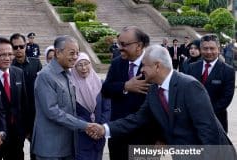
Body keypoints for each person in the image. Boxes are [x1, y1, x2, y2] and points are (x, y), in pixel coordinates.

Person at [87, 45, 236, 159]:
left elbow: (207, 130)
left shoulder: (189, 86)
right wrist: (104, 129)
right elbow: (138, 119)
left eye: (144, 65)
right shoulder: (153, 90)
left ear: (157, 66)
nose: (142, 69)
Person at [101, 26, 159, 160]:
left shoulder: (154, 64)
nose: (119, 48)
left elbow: (161, 104)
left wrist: (159, 137)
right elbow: (105, 90)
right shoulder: (117, 63)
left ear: (139, 45)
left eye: (123, 44)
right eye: (118, 43)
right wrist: (125, 86)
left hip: (145, 137)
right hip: (118, 136)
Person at [31, 35, 92, 160]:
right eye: (71, 53)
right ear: (58, 53)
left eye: (77, 53)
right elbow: (52, 112)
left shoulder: (67, 74)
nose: (75, 57)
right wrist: (84, 125)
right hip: (50, 149)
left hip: (67, 146)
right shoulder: (45, 76)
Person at [187, 34, 235, 133]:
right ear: (200, 49)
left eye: (212, 48)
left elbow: (226, 98)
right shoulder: (192, 67)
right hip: (193, 120)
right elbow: (187, 92)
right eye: (205, 48)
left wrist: (205, 112)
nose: (209, 52)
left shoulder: (228, 71)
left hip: (216, 120)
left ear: (219, 49)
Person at [0, 37, 28, 160]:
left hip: (17, 133)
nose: (7, 58)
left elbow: (24, 103)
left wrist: (25, 129)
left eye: (9, 54)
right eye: (2, 55)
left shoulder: (18, 72)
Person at [70, 52, 111, 160]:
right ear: (74, 67)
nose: (84, 68)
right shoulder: (70, 87)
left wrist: (100, 127)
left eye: (86, 63)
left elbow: (107, 108)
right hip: (81, 138)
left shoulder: (101, 84)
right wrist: (88, 128)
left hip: (99, 138)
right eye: (79, 65)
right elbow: (71, 112)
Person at [10, 33, 42, 140]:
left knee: (36, 153)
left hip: (35, 114)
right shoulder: (8, 67)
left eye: (21, 46)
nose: (18, 49)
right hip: (17, 117)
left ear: (26, 46)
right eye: (15, 47)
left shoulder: (36, 64)